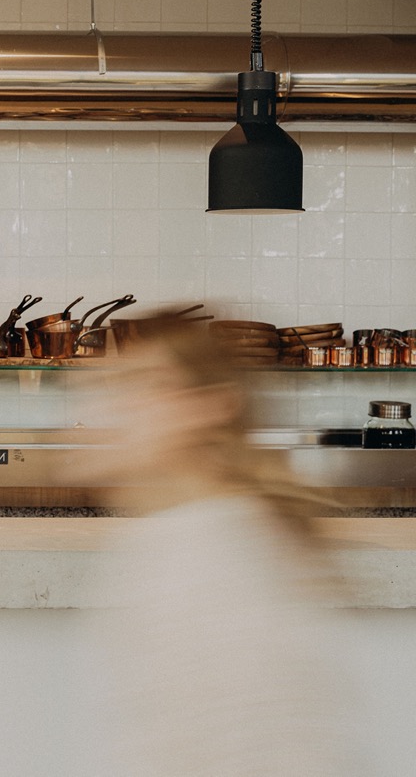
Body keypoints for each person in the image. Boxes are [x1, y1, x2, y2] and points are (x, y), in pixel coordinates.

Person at [75, 318, 367, 776]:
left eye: (148, 385)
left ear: (211, 406)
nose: (118, 405)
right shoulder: (186, 531)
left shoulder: (212, 550)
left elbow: (262, 746)